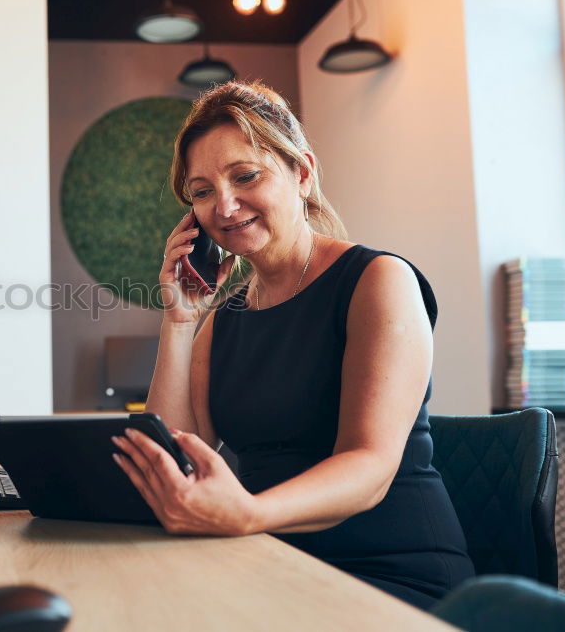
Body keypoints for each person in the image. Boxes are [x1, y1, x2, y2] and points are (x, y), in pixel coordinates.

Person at [110, 80, 475, 610]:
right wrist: (179, 320)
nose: (225, 205)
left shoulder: (378, 280)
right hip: (269, 561)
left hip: (391, 577)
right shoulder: (225, 317)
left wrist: (248, 515)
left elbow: (369, 466)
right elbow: (173, 458)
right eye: (202, 191)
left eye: (245, 176)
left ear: (301, 173)